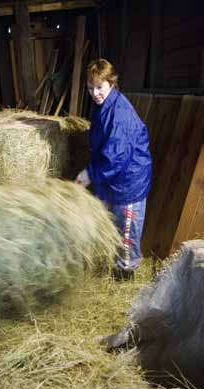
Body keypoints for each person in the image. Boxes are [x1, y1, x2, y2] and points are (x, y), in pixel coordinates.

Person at [76, 58, 152, 280]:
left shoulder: (119, 114)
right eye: (90, 88)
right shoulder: (102, 107)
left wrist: (88, 174)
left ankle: (125, 276)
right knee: (110, 224)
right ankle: (114, 264)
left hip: (128, 181)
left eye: (100, 87)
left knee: (126, 230)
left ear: (112, 82)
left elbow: (116, 158)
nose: (95, 93)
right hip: (112, 179)